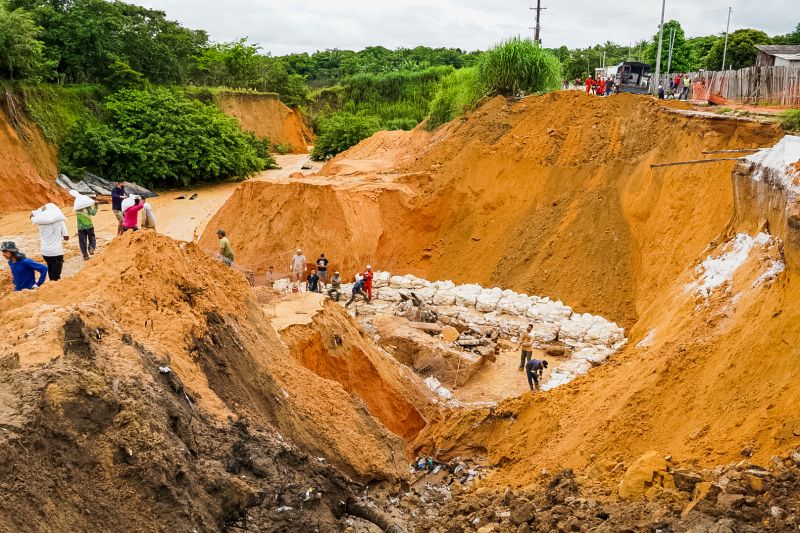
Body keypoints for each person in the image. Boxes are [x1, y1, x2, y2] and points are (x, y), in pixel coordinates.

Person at [30, 203, 68, 281]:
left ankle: (51, 283)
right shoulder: (60, 221)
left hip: (45, 252)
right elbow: (66, 237)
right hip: (57, 252)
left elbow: (31, 216)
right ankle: (54, 289)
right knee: (56, 276)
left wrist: (40, 210)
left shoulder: (41, 221)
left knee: (50, 270)